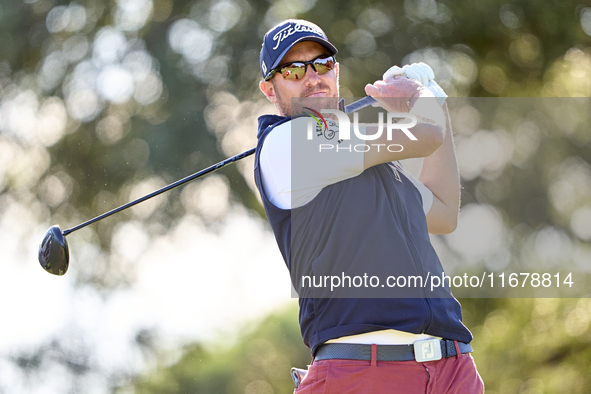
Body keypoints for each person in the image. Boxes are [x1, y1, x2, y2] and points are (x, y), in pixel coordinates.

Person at [254, 19, 485, 393]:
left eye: (322, 64)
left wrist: (435, 106)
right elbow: (424, 136)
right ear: (270, 88)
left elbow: (443, 212)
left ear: (336, 70)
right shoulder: (286, 144)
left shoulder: (375, 167)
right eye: (294, 70)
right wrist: (421, 102)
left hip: (451, 367)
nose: (312, 77)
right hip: (362, 370)